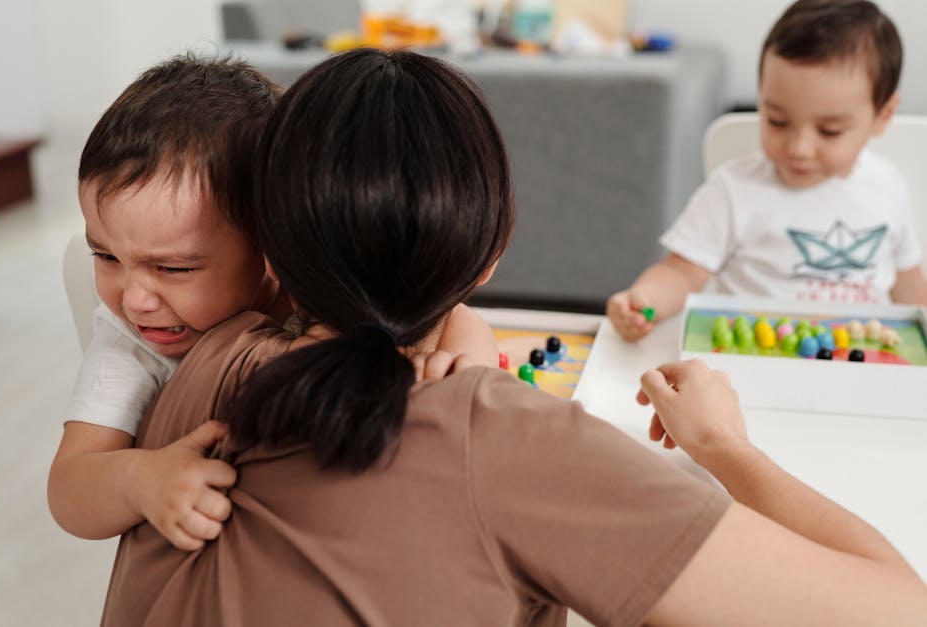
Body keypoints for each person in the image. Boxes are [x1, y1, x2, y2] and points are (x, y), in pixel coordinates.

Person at [98, 48, 927, 626]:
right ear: (495, 248)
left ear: (270, 256)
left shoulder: (200, 355)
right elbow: (900, 609)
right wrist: (724, 447)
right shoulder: (502, 441)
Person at [47, 54, 497, 552]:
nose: (133, 299)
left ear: (274, 245)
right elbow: (70, 486)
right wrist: (141, 480)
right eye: (105, 255)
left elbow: (453, 317)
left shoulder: (315, 291)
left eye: (173, 269)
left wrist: (466, 366)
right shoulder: (131, 346)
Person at [608, 0, 927, 341]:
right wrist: (644, 302)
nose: (798, 149)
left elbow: (907, 282)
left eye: (829, 131)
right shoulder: (734, 189)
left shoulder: (887, 185)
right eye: (777, 121)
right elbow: (681, 274)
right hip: (751, 362)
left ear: (884, 114)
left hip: (859, 359)